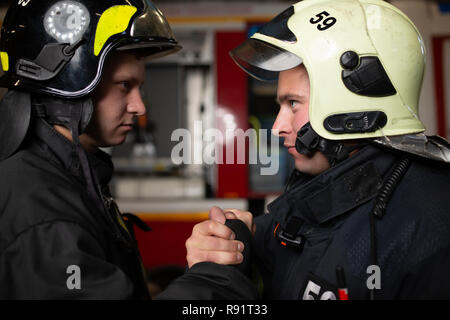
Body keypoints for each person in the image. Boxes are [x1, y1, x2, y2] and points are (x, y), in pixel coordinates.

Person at [184, 0, 450, 299]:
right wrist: (236, 245)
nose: (278, 127)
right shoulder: (316, 195)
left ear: (353, 103)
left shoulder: (434, 223)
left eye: (293, 103)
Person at [0, 0, 256, 300]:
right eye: (124, 85)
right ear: (69, 86)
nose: (139, 106)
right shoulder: (45, 218)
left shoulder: (59, 177)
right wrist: (213, 273)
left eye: (139, 88)